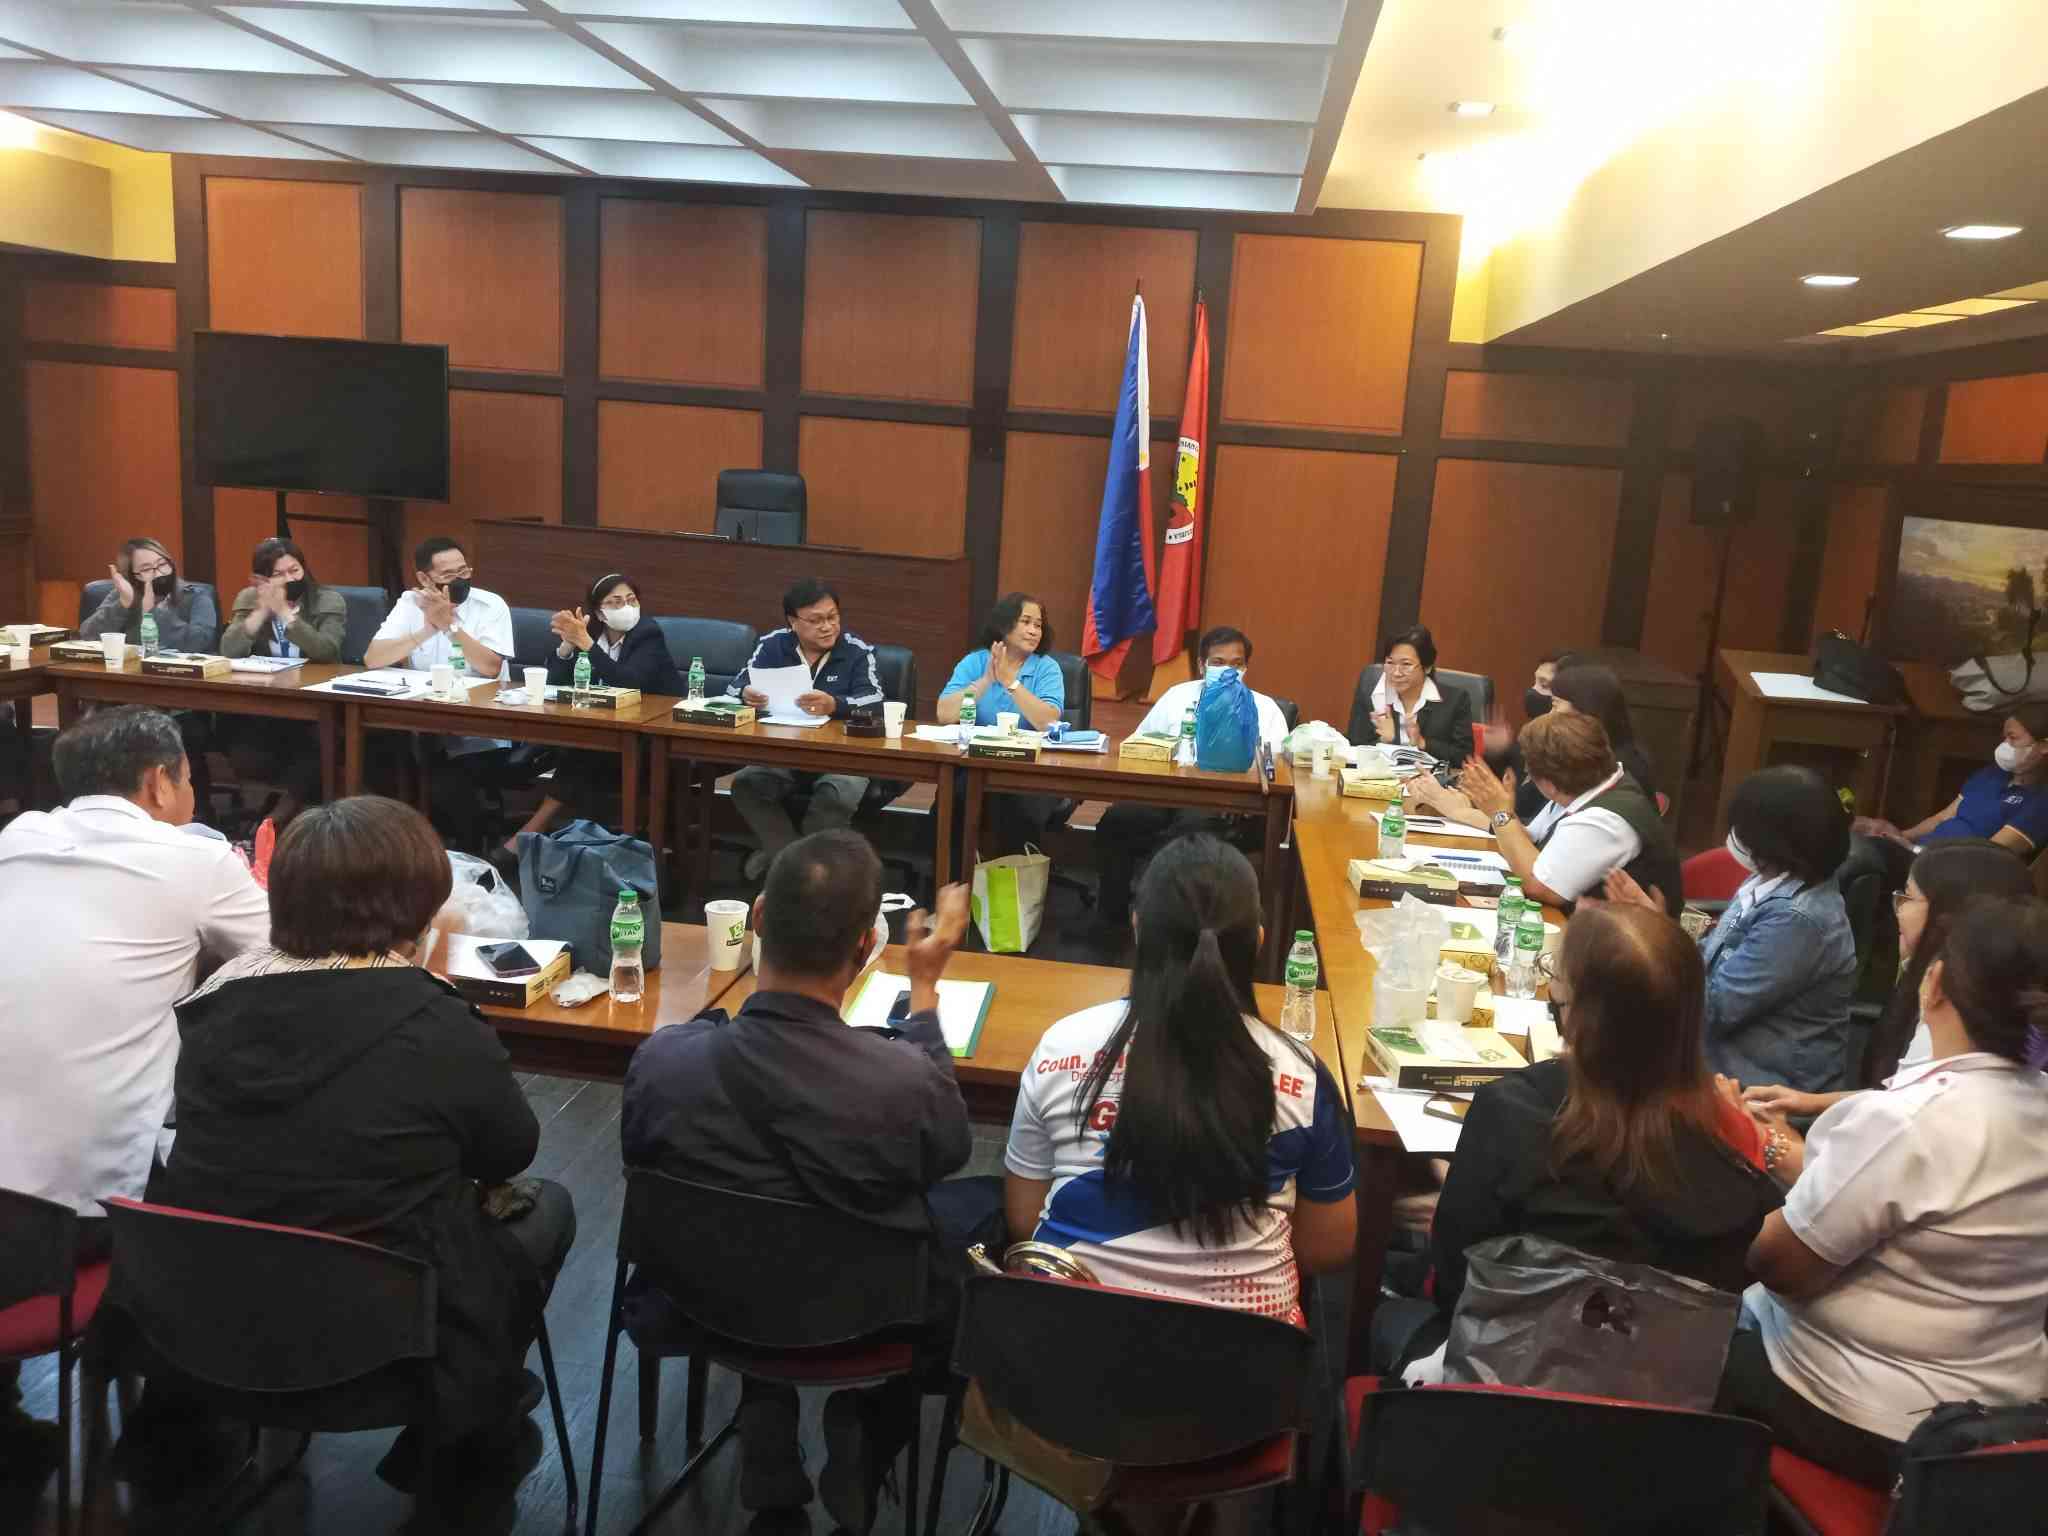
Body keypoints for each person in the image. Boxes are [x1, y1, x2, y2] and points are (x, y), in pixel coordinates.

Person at [151, 796, 574, 1493]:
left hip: (212, 1319)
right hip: (383, 1339)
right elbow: (508, 1152)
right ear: (418, 906)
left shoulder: (212, 1003)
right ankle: (464, 1434)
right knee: (547, 1208)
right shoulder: (434, 1017)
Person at [622, 832, 999, 1534]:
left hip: (702, 1301)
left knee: (756, 1205)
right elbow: (947, 1148)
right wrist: (923, 993)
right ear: (866, 945)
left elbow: (646, 1160)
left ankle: (765, 1403)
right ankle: (871, 1421)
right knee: (988, 1209)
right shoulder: (902, 1080)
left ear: (758, 918)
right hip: (866, 1313)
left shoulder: (664, 1062)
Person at [976, 835, 1356, 1518]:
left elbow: (1024, 1219)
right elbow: (1329, 1247)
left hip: (1069, 1380)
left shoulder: (1062, 1046)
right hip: (1239, 1401)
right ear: (1258, 941)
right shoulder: (1303, 1078)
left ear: (1137, 929)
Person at [0, 707, 268, 1483]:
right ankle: (177, 1436)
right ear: (158, 783)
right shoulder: (195, 861)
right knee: (230, 1185)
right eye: (188, 779)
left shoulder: (16, 841)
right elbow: (289, 962)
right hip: (63, 1227)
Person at [1718, 896, 2048, 1487]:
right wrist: (1777, 1149)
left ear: (1934, 985)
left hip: (1865, 1411)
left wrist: (1731, 1145)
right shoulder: (2028, 1099)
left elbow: (1779, 1266)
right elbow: (1891, 1203)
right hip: (2003, 1409)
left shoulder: (1911, 1120)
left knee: (1669, 1328)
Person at [1370, 904, 1780, 1377]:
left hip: (1501, 1386)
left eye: (1559, 994)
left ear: (1579, 1017)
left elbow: (1454, 1286)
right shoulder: (1738, 1142)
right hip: (1661, 1398)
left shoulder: (1512, 1115)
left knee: (1385, 1309)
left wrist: (1468, 1188)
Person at [1743, 840, 2034, 1121]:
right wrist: (1811, 1102)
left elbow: (1913, 1118)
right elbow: (1903, 1093)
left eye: (1908, 897)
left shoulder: (1958, 1019)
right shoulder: (1956, 986)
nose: (1898, 909)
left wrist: (1773, 1141)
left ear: (1951, 913)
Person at [1612, 765, 1858, 1094]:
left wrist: (1656, 936)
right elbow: (1709, 962)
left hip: (1758, 1090)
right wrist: (1658, 924)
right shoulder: (1770, 881)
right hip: (1711, 1060)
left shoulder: (1798, 920)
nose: (1735, 836)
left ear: (1774, 840)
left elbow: (1710, 1010)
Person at [1093, 626, 1293, 919]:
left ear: (1246, 668)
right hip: (1165, 796)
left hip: (1227, 805)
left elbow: (1278, 770)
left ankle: (1161, 920)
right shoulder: (1177, 697)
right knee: (1117, 821)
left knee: (1187, 831)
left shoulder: (1264, 709)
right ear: (1202, 665)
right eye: (1218, 663)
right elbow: (1139, 744)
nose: (1228, 671)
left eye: (1236, 664)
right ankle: (1110, 921)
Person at [499, 571, 683, 855]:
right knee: (582, 750)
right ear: (599, 612)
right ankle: (545, 836)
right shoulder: (591, 632)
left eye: (631, 600)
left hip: (653, 740)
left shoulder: (647, 633)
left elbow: (629, 682)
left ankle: (530, 834)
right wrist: (567, 645)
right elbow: (555, 681)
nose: (626, 607)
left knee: (582, 754)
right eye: (616, 602)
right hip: (605, 732)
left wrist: (586, 644)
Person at [727, 578, 887, 880]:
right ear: (793, 622)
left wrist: (835, 704)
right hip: (782, 752)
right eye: (815, 620)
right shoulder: (772, 645)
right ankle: (792, 867)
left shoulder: (856, 651)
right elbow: (735, 686)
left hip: (842, 758)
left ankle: (787, 868)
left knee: (837, 793)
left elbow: (876, 700)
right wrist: (746, 693)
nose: (827, 627)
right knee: (747, 785)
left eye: (832, 617)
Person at [365, 536, 516, 848]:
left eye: (464, 571)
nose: (460, 580)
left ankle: (465, 852)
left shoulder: (490, 605)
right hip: (419, 722)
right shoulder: (410, 603)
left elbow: (490, 667)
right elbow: (373, 658)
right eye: (449, 575)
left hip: (478, 728)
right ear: (424, 579)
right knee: (376, 756)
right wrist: (427, 629)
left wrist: (450, 626)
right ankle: (399, 846)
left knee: (446, 779)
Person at [1455, 709, 1681, 914]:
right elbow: (1530, 839)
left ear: (1549, 785)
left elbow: (1539, 885)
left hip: (1623, 938)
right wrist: (1498, 809)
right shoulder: (1587, 783)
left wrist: (1500, 813)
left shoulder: (1606, 819)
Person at [218, 536, 349, 830]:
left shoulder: (328, 601)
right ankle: (271, 812)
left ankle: (277, 817)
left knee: (317, 741)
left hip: (316, 704)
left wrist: (286, 614)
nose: (289, 579)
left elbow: (326, 651)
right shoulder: (249, 599)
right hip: (265, 702)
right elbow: (228, 651)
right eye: (278, 574)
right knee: (242, 742)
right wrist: (261, 611)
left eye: (294, 570)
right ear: (263, 579)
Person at [939, 592, 1067, 853]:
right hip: (976, 766)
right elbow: (945, 714)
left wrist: (1011, 681)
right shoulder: (976, 662)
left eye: (1038, 625)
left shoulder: (1047, 668)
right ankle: (950, 874)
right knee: (950, 802)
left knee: (1014, 808)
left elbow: (1048, 722)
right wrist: (986, 680)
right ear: (1005, 625)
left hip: (1030, 772)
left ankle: (1013, 876)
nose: (1034, 631)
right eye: (1026, 622)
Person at [1855, 703, 2048, 862]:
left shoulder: (2041, 802)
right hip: (1921, 853)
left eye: (2013, 738)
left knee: (1862, 857)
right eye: (2004, 738)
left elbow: (1988, 856)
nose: (2005, 745)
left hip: (1948, 871)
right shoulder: (1992, 773)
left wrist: (1914, 851)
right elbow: (1944, 817)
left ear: (2044, 746)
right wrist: (1899, 837)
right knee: (1857, 830)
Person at [1349, 624, 1474, 767]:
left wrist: (1422, 743)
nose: (1396, 673)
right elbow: (1353, 748)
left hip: (1429, 779)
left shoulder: (1455, 701)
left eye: (1406, 664)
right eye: (1390, 663)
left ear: (1427, 667)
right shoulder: (1373, 696)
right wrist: (1383, 741)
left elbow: (1465, 758)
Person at [78, 536, 219, 652]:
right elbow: (87, 636)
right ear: (132, 576)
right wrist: (122, 605)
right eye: (146, 569)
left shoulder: (196, 596)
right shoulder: (124, 594)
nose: (159, 573)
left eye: (162, 564)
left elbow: (200, 643)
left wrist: (153, 613)